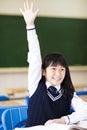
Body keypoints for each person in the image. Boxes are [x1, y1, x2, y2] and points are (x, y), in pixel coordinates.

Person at [20, 0, 87, 128]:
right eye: (53, 69)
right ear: (44, 71)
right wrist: (30, 26)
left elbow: (85, 110)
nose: (58, 74)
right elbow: (35, 58)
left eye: (62, 69)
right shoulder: (36, 85)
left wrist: (64, 120)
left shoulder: (68, 92)